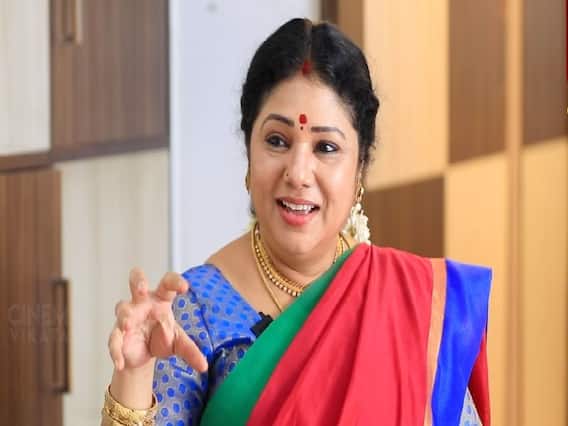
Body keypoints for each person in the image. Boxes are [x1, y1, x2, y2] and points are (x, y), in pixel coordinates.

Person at [101, 18, 491, 426]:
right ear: (249, 153)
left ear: (360, 170)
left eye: (326, 147)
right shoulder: (196, 310)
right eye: (277, 141)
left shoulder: (410, 306)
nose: (298, 173)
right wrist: (134, 372)